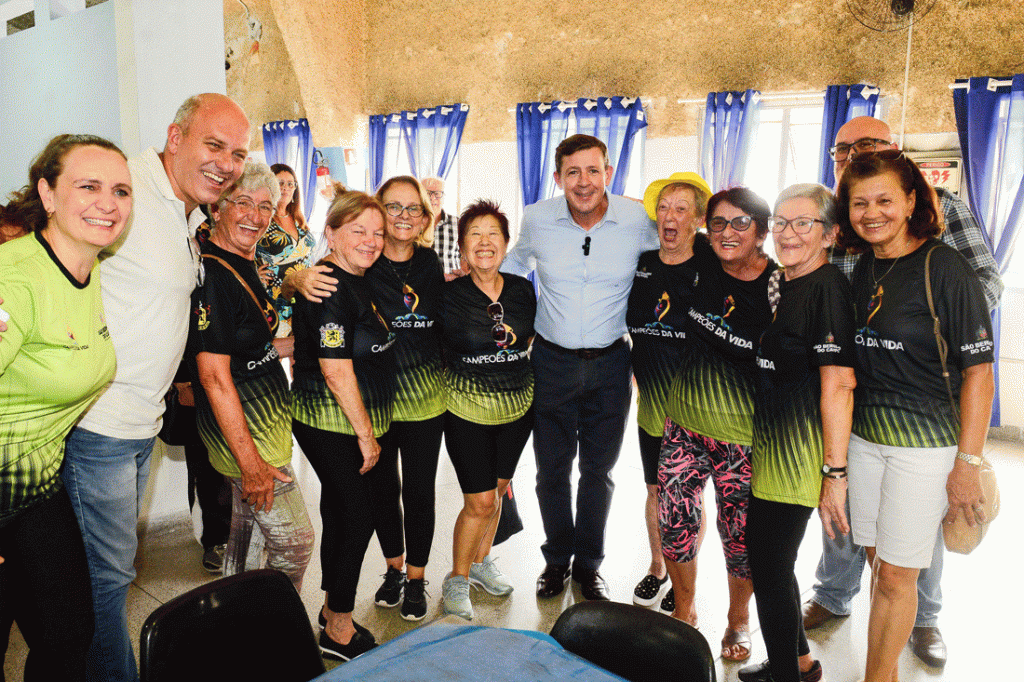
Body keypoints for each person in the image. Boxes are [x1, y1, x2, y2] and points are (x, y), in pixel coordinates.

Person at [47, 93, 249, 682]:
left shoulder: (181, 210)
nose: (226, 163)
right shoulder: (127, 189)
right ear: (176, 136)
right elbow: (44, 254)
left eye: (237, 153)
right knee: (106, 581)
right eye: (214, 145)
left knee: (106, 573)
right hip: (98, 426)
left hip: (140, 425)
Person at [805, 116, 1003, 669]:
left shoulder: (948, 270)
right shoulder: (864, 266)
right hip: (867, 438)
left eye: (884, 201)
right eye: (859, 205)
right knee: (880, 565)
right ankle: (885, 668)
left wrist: (967, 461)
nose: (872, 214)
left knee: (897, 572)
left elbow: (980, 374)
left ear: (913, 199)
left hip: (927, 444)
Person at [502, 134, 658, 601]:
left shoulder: (636, 220)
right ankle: (555, 560)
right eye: (573, 172)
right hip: (551, 362)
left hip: (612, 364)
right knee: (551, 471)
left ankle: (589, 565)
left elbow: (677, 248)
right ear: (558, 178)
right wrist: (469, 278)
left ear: (609, 173)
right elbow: (513, 263)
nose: (584, 182)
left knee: (599, 471)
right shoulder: (537, 218)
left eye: (594, 171)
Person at [0, 134, 132, 680]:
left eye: (121, 190)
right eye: (89, 186)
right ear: (47, 195)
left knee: (68, 637)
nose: (109, 202)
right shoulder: (13, 277)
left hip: (35, 487)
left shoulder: (88, 265)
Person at [738, 184, 856, 682]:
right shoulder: (786, 284)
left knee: (766, 566)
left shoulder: (826, 288)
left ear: (829, 234)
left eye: (803, 223)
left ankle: (786, 675)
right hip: (773, 446)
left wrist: (834, 473)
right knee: (773, 562)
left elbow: (840, 382)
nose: (788, 233)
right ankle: (800, 662)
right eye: (781, 222)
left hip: (800, 454)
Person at [659, 187, 776, 661]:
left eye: (741, 223)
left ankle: (738, 620)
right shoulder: (701, 259)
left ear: (763, 233)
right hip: (684, 425)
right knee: (675, 524)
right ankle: (683, 613)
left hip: (743, 437)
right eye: (719, 223)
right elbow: (651, 222)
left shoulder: (779, 285)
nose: (728, 233)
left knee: (740, 537)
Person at [187, 161, 314, 591]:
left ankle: (234, 633)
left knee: (245, 541)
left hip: (264, 432)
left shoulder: (245, 261)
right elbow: (214, 376)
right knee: (296, 543)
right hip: (249, 441)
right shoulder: (215, 275)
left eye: (265, 206)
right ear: (217, 209)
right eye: (243, 203)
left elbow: (252, 350)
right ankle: (273, 634)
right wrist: (250, 463)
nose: (255, 216)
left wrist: (307, 341)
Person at [291, 191, 396, 661]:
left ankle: (332, 604)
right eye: (358, 231)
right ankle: (338, 626)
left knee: (339, 511)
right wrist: (366, 434)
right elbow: (335, 370)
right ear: (331, 233)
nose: (371, 242)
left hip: (352, 418)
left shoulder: (361, 277)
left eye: (377, 232)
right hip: (330, 421)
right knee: (358, 515)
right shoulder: (330, 287)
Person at [439, 200, 535, 620]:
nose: (484, 242)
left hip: (517, 409)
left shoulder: (521, 289)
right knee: (478, 501)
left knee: (496, 493)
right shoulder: (448, 295)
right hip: (466, 411)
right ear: (462, 247)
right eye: (474, 234)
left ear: (506, 243)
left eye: (493, 233)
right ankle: (456, 578)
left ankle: (480, 565)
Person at [625, 172, 713, 609]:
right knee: (657, 492)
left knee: (689, 499)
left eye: (682, 209)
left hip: (699, 412)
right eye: (663, 207)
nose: (670, 217)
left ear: (698, 219)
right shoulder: (640, 265)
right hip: (652, 410)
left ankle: (685, 581)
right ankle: (658, 566)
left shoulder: (712, 266)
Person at [365, 176, 444, 621]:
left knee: (418, 491)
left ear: (425, 217)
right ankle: (393, 568)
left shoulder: (432, 266)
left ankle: (416, 577)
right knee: (382, 489)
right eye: (393, 207)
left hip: (425, 402)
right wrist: (298, 277)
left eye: (412, 208)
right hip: (375, 401)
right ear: (378, 210)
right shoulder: (364, 260)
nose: (402, 216)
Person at [256, 163, 316, 338]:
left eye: (290, 184)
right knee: (276, 351)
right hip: (275, 296)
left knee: (303, 354)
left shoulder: (298, 218)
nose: (285, 188)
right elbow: (241, 247)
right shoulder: (261, 217)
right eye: (280, 182)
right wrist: (253, 273)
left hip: (304, 294)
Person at [422, 176, 465, 279]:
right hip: (421, 286)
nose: (432, 198)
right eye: (427, 193)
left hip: (452, 286)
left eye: (437, 194)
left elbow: (467, 257)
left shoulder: (458, 223)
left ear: (444, 197)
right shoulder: (413, 224)